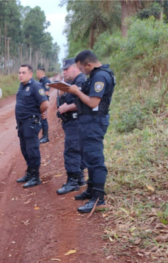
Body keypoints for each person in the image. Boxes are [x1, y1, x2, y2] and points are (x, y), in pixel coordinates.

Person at [68, 50, 116, 213]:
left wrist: (76, 92)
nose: (81, 72)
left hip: (94, 123)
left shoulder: (100, 76)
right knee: (88, 157)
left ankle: (98, 198)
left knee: (95, 159)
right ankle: (90, 189)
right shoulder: (95, 75)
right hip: (88, 122)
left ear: (88, 64)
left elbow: (93, 102)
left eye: (81, 69)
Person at [56, 58, 87, 195]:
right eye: (63, 69)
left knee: (72, 151)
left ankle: (72, 181)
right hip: (73, 123)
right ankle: (79, 178)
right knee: (77, 150)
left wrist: (66, 108)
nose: (64, 71)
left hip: (76, 122)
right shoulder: (73, 82)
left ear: (76, 67)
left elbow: (83, 102)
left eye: (67, 69)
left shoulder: (80, 81)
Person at [15, 65, 49, 188]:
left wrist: (39, 113)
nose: (20, 75)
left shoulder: (35, 86)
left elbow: (45, 103)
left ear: (30, 74)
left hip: (31, 123)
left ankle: (35, 176)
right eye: (19, 72)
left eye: (23, 72)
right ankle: (29, 173)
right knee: (25, 149)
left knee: (32, 149)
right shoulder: (22, 86)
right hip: (21, 123)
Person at [37, 67, 52, 143]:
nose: (36, 75)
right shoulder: (40, 81)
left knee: (44, 119)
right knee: (40, 119)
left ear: (40, 73)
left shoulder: (46, 81)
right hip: (40, 103)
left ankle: (45, 137)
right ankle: (42, 136)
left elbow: (46, 93)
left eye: (37, 73)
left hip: (44, 103)